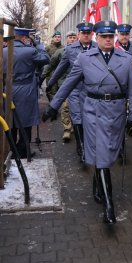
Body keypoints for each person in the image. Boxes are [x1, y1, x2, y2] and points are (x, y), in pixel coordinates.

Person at [42, 21, 132, 224]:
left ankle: (98, 180)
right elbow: (69, 83)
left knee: (109, 152)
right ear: (97, 37)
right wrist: (53, 106)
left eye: (110, 36)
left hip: (116, 111)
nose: (108, 40)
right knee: (102, 154)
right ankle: (109, 205)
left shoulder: (127, 58)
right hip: (93, 110)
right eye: (103, 36)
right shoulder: (84, 59)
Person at [46, 22, 97, 162]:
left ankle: (88, 144)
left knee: (90, 117)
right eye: (83, 33)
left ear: (91, 34)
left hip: (92, 90)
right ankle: (81, 147)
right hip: (75, 89)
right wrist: (50, 83)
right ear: (79, 34)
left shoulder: (97, 47)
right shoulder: (70, 50)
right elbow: (61, 68)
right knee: (77, 117)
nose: (86, 36)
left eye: (88, 33)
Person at [3, 27, 50, 158]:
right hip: (26, 90)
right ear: (24, 38)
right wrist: (39, 45)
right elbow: (46, 58)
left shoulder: (4, 51)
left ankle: (11, 150)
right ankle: (23, 150)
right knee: (26, 122)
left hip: (8, 90)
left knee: (10, 121)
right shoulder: (31, 51)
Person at [42, 30, 78, 142]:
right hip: (64, 84)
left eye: (74, 37)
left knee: (77, 109)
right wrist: (42, 78)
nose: (72, 39)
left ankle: (76, 127)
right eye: (70, 38)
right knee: (65, 107)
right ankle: (67, 129)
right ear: (67, 39)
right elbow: (50, 65)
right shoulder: (61, 51)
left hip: (79, 86)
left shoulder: (82, 52)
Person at [44, 31, 63, 100]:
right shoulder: (48, 48)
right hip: (51, 73)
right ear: (53, 38)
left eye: (59, 37)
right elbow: (45, 61)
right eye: (56, 37)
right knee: (51, 91)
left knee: (60, 91)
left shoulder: (63, 48)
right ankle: (52, 106)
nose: (57, 38)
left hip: (61, 73)